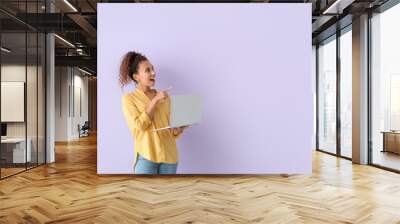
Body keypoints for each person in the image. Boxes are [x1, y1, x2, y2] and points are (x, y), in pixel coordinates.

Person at [119, 51, 187, 174]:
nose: (153, 73)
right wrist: (155, 100)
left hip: (169, 157)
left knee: (168, 193)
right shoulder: (129, 99)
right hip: (146, 156)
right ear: (136, 76)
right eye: (148, 70)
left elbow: (170, 131)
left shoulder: (165, 98)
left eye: (153, 69)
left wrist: (181, 127)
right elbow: (140, 125)